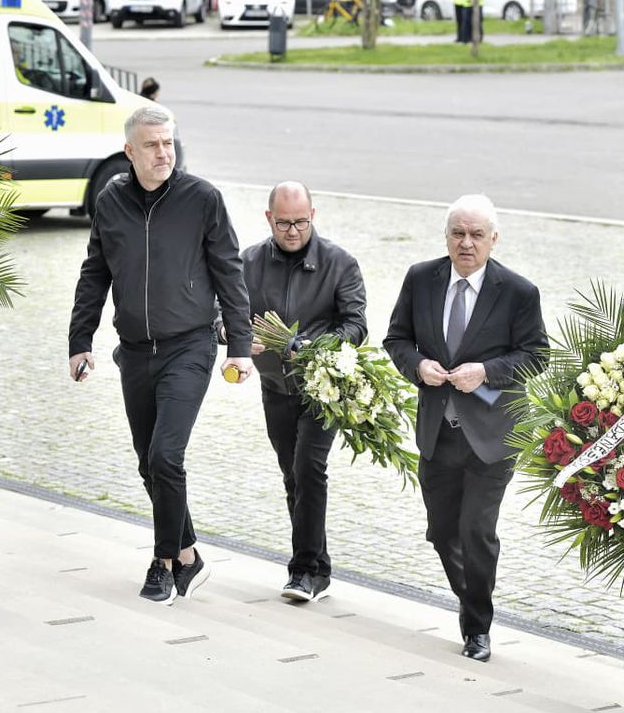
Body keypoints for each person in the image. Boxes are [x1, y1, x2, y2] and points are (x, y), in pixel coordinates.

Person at [68, 106, 254, 605]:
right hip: (134, 352)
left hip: (188, 346)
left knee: (166, 455)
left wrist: (239, 347)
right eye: (151, 145)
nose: (163, 153)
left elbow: (230, 274)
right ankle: (189, 554)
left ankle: (164, 560)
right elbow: (95, 272)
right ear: (130, 152)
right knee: (149, 464)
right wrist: (80, 340)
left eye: (168, 142)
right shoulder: (111, 200)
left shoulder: (202, 199)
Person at [384, 194, 546, 662]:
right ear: (447, 237)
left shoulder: (518, 291)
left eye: (477, 235)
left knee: (477, 530)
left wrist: (488, 371)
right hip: (438, 430)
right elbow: (396, 338)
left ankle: (477, 627)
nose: (466, 243)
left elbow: (536, 354)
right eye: (458, 233)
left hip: (492, 436)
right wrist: (418, 366)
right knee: (441, 531)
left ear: (494, 239)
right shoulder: (421, 278)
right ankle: (471, 596)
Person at [242, 182, 367, 602]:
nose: (292, 231)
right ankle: (320, 566)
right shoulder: (250, 262)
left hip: (323, 389)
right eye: (283, 223)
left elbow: (356, 324)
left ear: (313, 215)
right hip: (275, 386)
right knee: (292, 475)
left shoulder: (339, 263)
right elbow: (228, 316)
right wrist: (238, 338)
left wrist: (323, 347)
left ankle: (302, 571)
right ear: (269, 219)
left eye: (300, 222)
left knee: (309, 467)